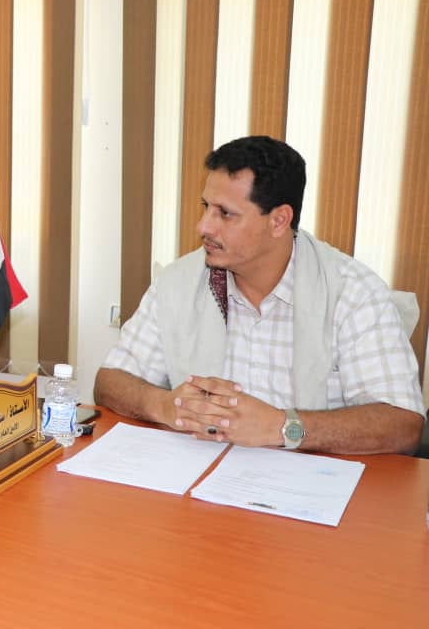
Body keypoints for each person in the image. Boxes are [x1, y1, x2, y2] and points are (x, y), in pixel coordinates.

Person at [95, 135, 425, 455]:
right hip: (199, 476)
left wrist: (283, 427)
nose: (203, 227)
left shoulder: (353, 294)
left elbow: (403, 425)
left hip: (311, 483)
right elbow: (110, 382)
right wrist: (166, 405)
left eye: (225, 213)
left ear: (279, 220)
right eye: (206, 207)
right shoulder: (178, 282)